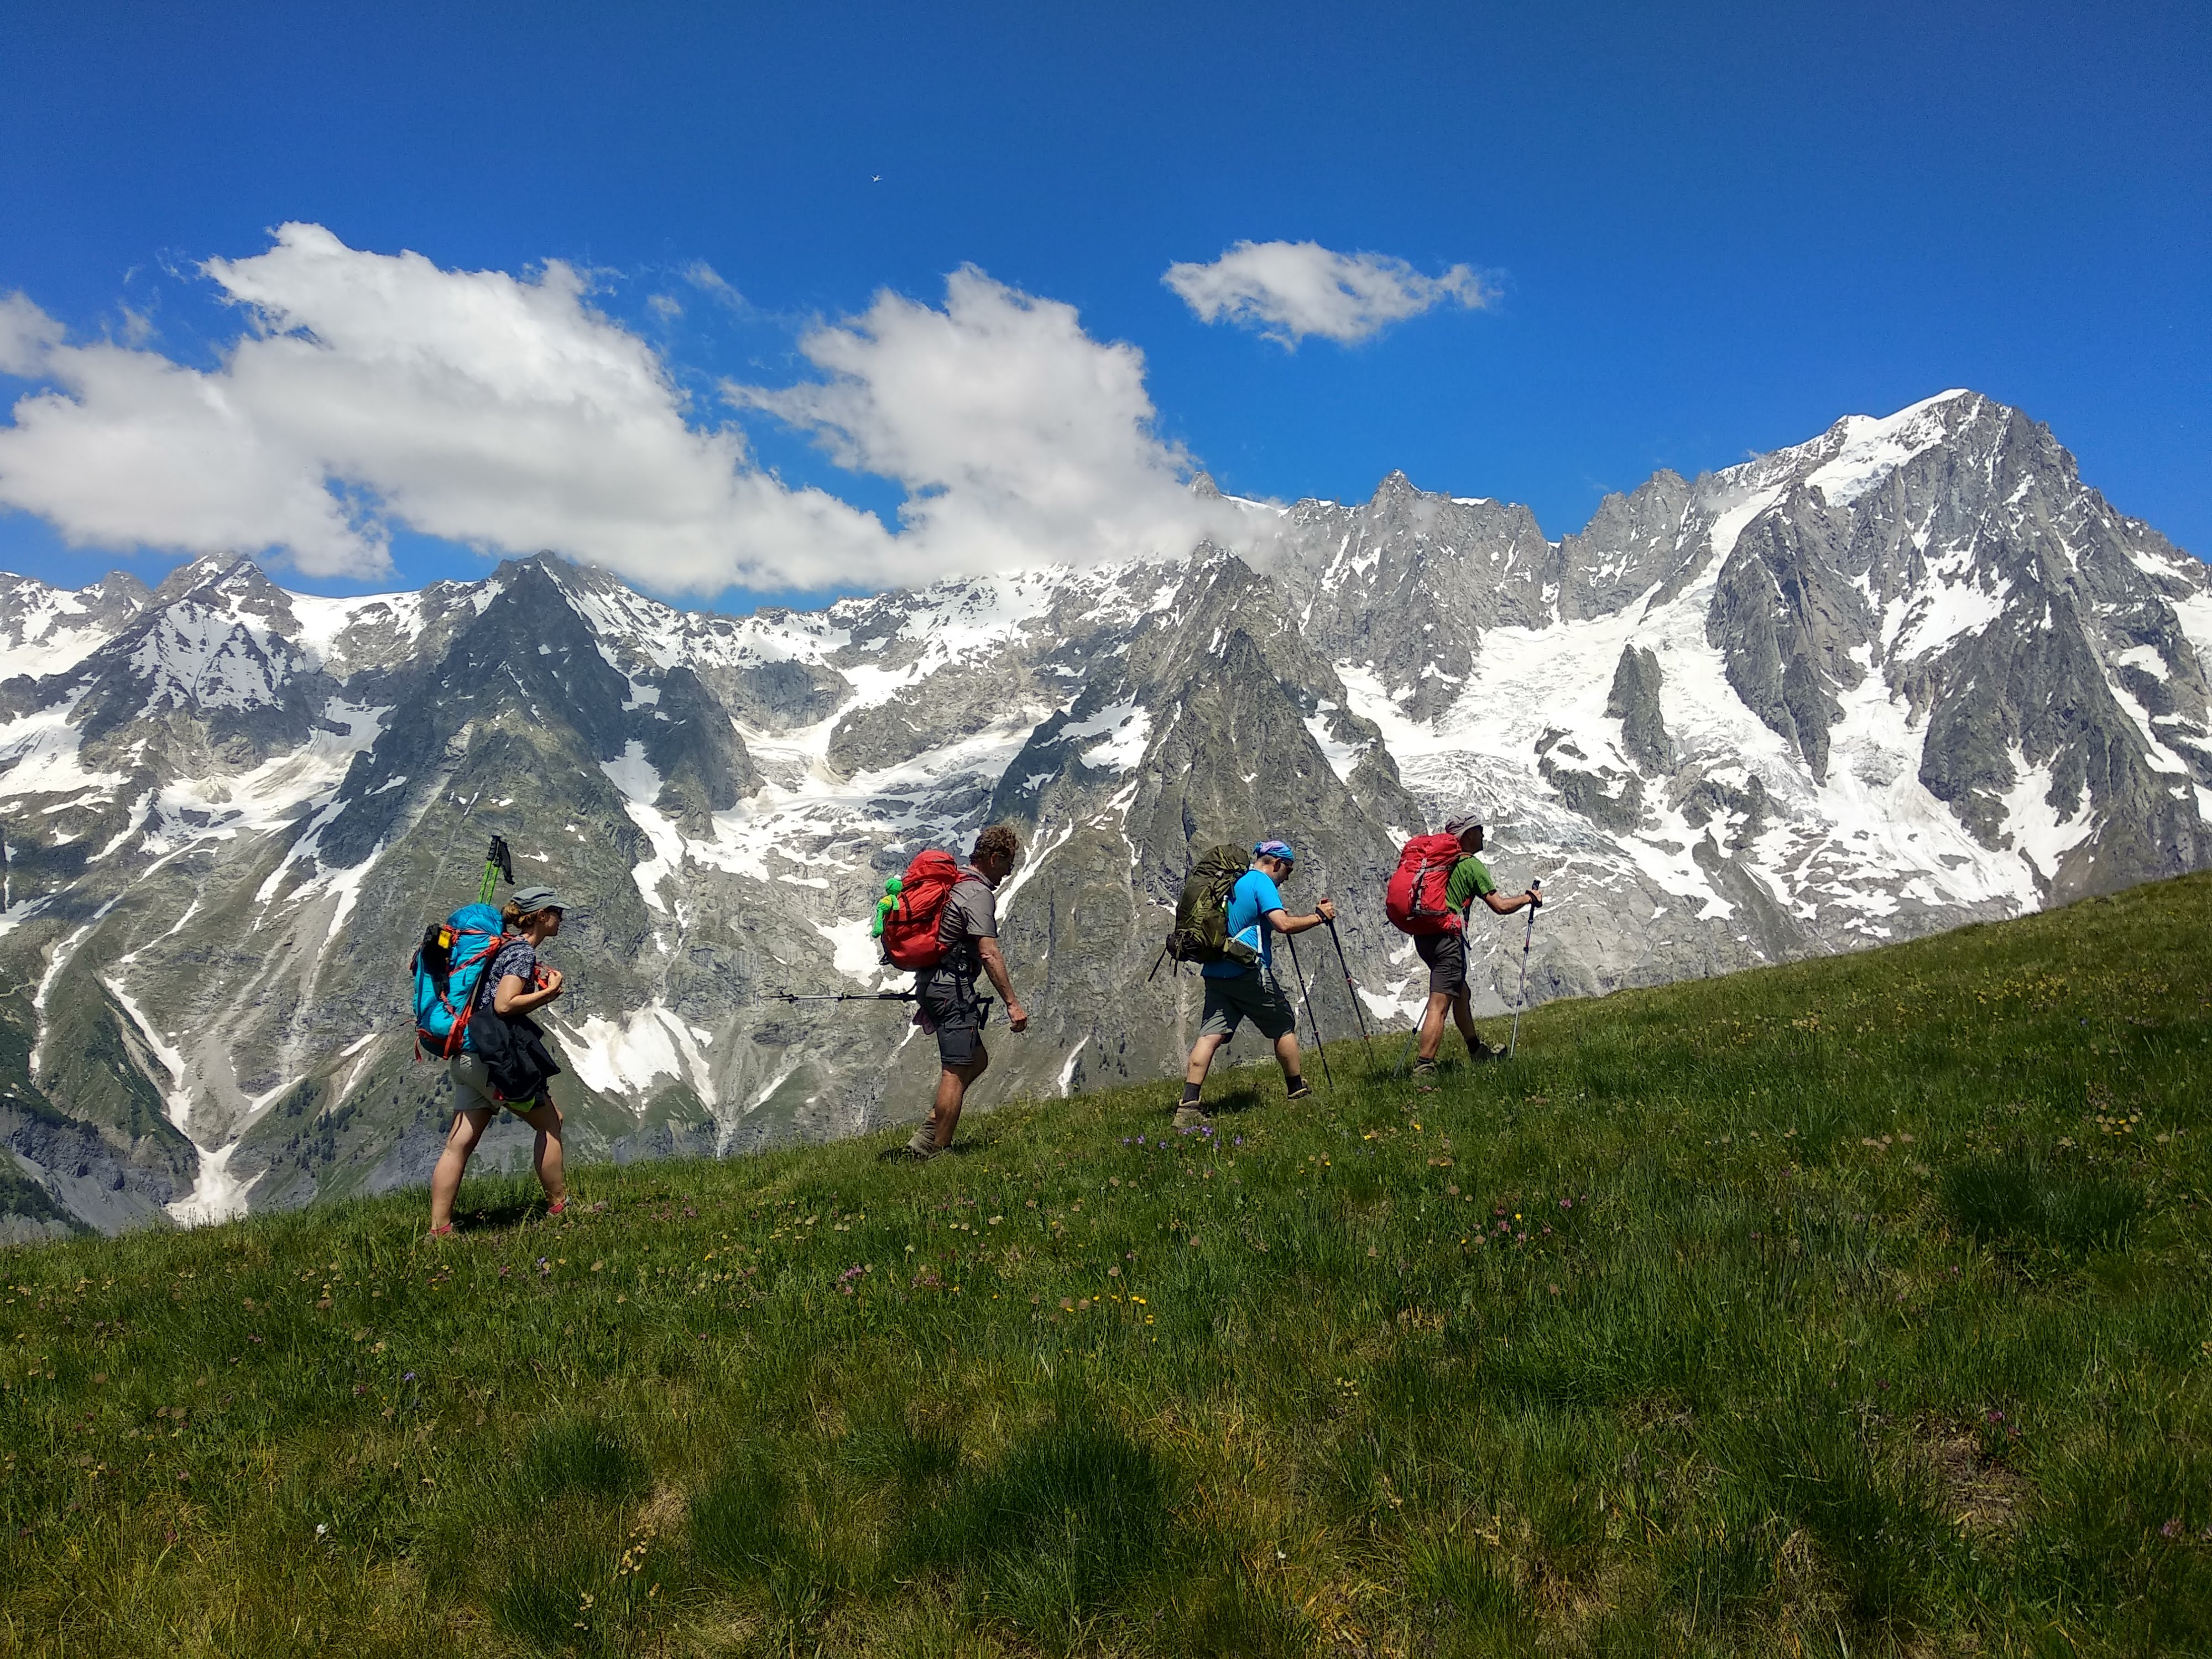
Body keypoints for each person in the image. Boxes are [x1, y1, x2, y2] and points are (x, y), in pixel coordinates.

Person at [429, 886, 571, 1233]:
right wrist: (547, 994)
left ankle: (439, 1230)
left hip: (467, 1054)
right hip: (490, 1058)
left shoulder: (501, 946)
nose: (561, 917)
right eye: (556, 911)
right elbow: (503, 1005)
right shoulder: (520, 951)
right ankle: (561, 1209)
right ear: (539, 915)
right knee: (550, 1123)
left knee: (458, 1143)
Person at [1176, 839, 1335, 1128]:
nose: (1286, 878)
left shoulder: (1231, 884)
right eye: (1287, 871)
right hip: (1247, 971)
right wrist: (1318, 918)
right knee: (1283, 1024)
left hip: (1215, 971)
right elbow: (1283, 925)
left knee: (1210, 1035)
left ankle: (1188, 1105)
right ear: (1276, 863)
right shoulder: (1262, 883)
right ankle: (1297, 1091)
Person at [907, 825, 1029, 1159]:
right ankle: (938, 1152)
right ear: (994, 858)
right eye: (1009, 864)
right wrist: (1012, 1004)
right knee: (955, 1069)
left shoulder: (956, 882)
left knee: (976, 1059)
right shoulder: (977, 894)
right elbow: (988, 952)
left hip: (935, 984)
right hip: (951, 989)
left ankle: (929, 1133)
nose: (1009, 872)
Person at [1412, 816, 1541, 1079]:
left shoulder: (1439, 863)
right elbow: (1500, 906)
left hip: (1423, 936)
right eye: (1479, 830)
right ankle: (1424, 1067)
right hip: (1447, 937)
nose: (1484, 835)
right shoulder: (1471, 865)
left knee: (1461, 992)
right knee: (1440, 1002)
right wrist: (1529, 898)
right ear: (1468, 835)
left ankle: (1476, 1051)